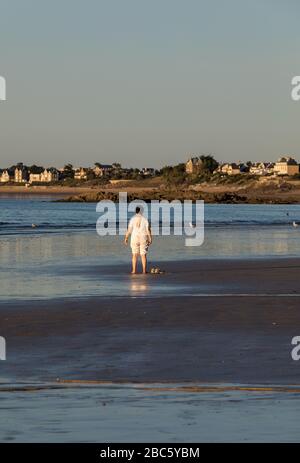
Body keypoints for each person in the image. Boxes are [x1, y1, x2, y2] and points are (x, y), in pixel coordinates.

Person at [124, 206, 152, 274]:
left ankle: (134, 270)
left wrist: (126, 238)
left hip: (134, 237)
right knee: (143, 255)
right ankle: (144, 271)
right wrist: (150, 238)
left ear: (135, 211)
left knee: (134, 255)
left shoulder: (132, 219)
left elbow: (129, 230)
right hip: (143, 237)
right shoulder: (145, 219)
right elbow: (148, 230)